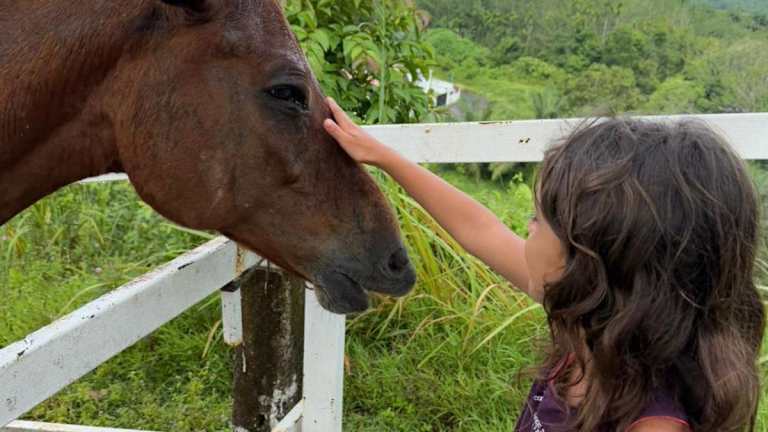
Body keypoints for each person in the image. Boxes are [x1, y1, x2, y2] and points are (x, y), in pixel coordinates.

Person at [322, 97, 765, 432]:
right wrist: (382, 156)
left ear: (593, 259)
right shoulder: (591, 320)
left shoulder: (653, 424)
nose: (525, 229)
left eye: (537, 220)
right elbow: (478, 229)